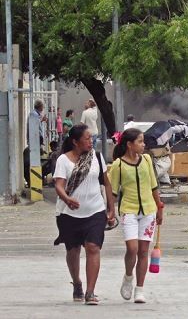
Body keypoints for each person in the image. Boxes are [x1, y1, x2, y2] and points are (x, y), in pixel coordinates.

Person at [53, 124, 116, 305]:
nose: (91, 141)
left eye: (91, 138)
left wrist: (111, 208)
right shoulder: (63, 161)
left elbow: (107, 183)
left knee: (93, 247)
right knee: (73, 250)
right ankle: (77, 283)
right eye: (87, 138)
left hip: (95, 211)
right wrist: (67, 199)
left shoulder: (96, 157)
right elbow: (59, 185)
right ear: (75, 141)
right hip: (68, 214)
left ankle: (90, 291)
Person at [109, 128, 164, 304]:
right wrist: (109, 211)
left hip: (148, 211)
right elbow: (114, 192)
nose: (143, 145)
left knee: (143, 251)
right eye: (140, 141)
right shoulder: (118, 165)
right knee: (132, 249)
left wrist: (159, 208)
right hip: (129, 211)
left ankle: (139, 289)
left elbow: (154, 186)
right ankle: (127, 277)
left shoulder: (147, 160)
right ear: (129, 145)